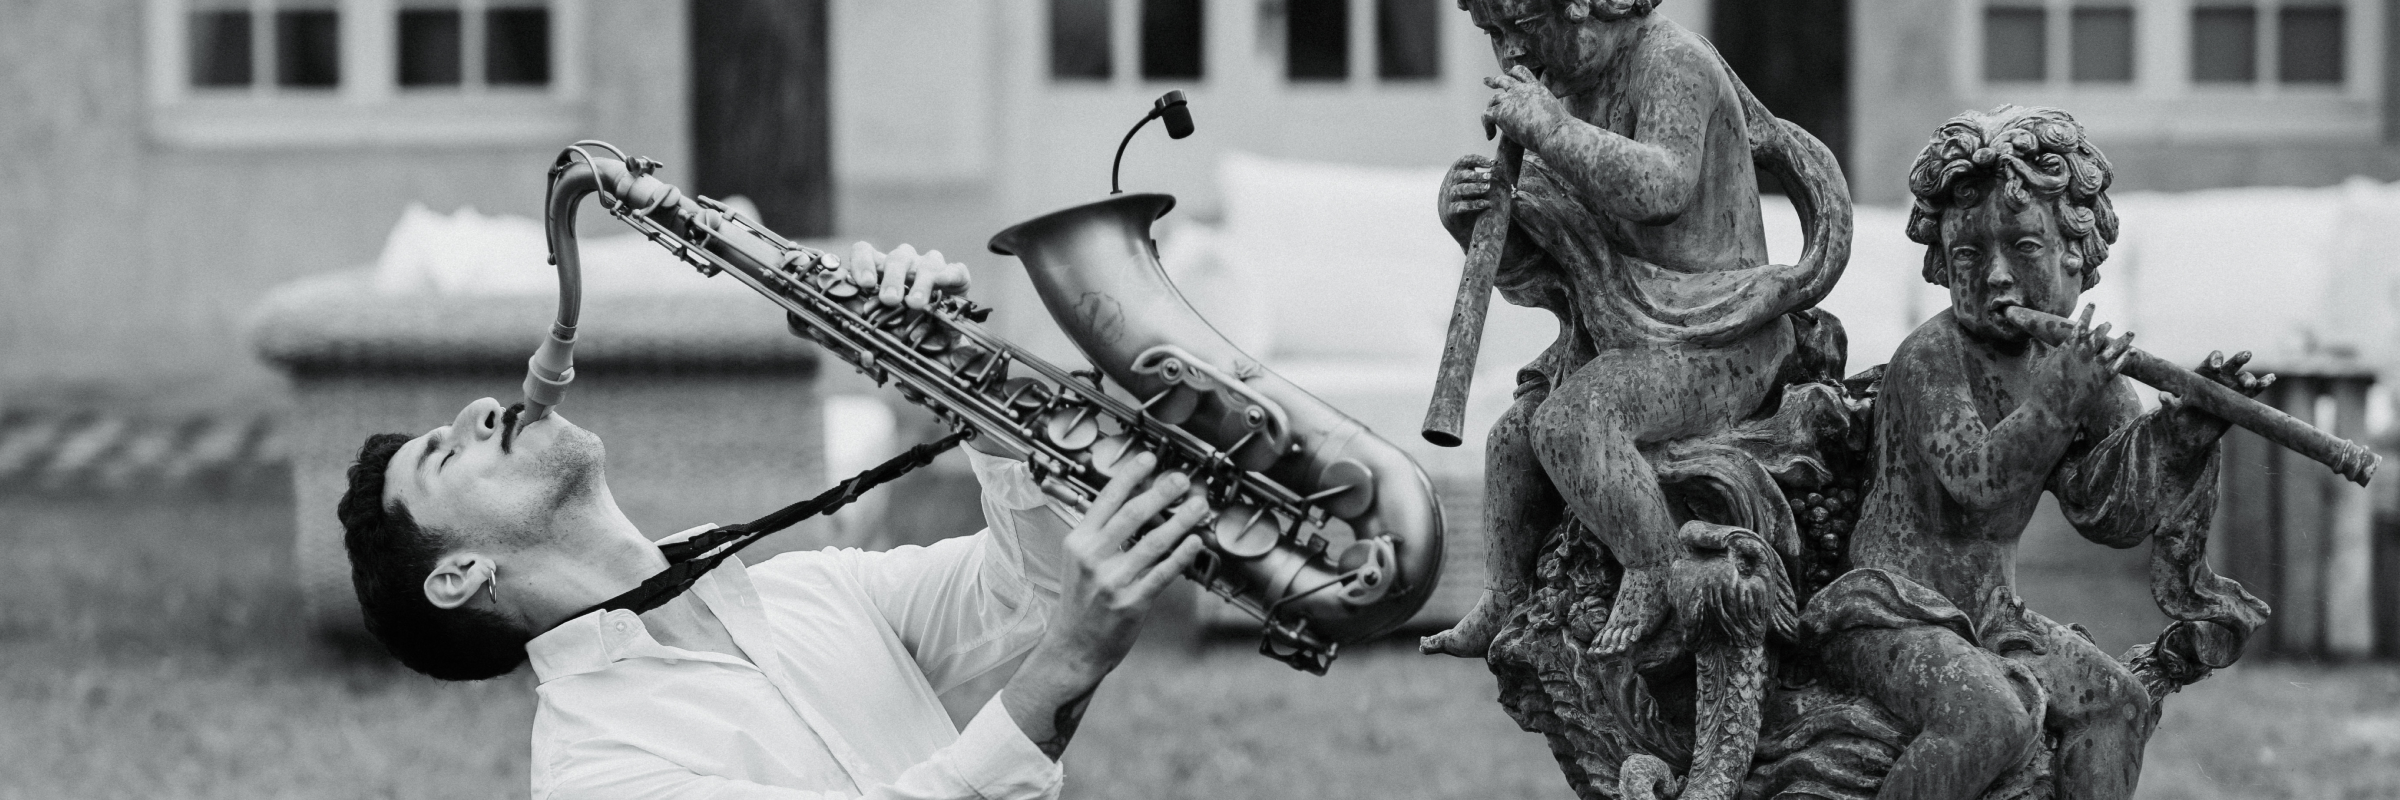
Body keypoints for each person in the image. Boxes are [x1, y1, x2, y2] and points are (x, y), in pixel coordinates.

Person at [336, 242, 1209, 799]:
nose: (485, 409)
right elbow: (1057, 628)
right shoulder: (598, 774)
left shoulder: (802, 585)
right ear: (457, 577)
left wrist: (964, 384)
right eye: (445, 456)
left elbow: (1026, 589)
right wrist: (1068, 665)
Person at [1806, 106, 2269, 799]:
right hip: (1889, 611)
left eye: (2023, 249)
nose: (1995, 278)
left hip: (1990, 616)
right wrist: (2061, 395)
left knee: (2118, 706)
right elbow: (1978, 480)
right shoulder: (1933, 357)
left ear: (2075, 255)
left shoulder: (2076, 366)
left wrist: (2183, 432)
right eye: (1968, 257)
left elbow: (2110, 513)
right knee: (1989, 717)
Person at [1422, 0, 1837, 658]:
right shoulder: (1567, 88)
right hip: (1625, 331)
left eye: (1519, 31)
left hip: (1717, 334)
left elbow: (1660, 188)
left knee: (1573, 424)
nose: (1506, 56)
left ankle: (1654, 568)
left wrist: (1551, 129)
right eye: (1491, 35)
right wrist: (1476, 223)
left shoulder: (1677, 65)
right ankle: (1506, 593)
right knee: (1511, 441)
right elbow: (1543, 278)